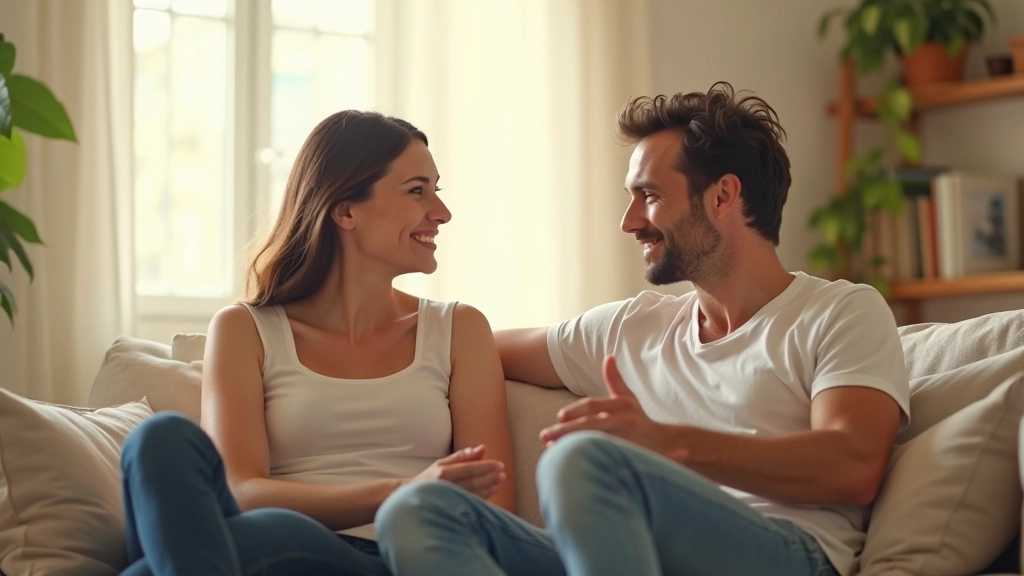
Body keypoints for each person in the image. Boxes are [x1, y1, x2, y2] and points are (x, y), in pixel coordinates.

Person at [375, 82, 910, 576]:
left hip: (785, 552)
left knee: (582, 460)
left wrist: (663, 443)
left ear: (723, 196)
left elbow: (854, 464)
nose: (629, 221)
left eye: (649, 195)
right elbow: (463, 343)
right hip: (633, 555)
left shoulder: (840, 311)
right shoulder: (635, 326)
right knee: (419, 509)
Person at [118, 111, 516, 576]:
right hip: (257, 548)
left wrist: (409, 505)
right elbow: (241, 491)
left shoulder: (459, 330)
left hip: (394, 558)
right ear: (345, 210)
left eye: (436, 190)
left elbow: (495, 507)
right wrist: (398, 490)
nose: (441, 213)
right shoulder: (245, 329)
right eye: (417, 191)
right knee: (157, 438)